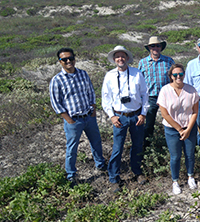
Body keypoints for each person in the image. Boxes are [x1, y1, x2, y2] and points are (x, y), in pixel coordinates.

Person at [49, 47, 107, 184]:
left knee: (96, 142)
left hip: (89, 116)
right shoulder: (57, 80)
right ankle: (71, 174)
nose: (68, 61)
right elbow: (55, 103)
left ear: (75, 58)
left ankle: (101, 164)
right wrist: (69, 120)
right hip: (74, 120)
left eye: (71, 58)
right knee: (72, 148)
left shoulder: (83, 74)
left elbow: (91, 92)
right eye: (64, 59)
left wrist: (93, 109)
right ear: (60, 62)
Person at [102, 46, 149, 192]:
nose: (120, 59)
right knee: (117, 148)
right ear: (114, 60)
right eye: (117, 57)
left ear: (127, 58)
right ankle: (114, 177)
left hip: (136, 115)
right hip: (119, 117)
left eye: (123, 56)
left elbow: (145, 94)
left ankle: (137, 172)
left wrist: (143, 113)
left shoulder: (136, 73)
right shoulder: (109, 76)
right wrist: (112, 116)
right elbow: (105, 98)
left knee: (137, 145)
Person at [158, 63, 200, 195]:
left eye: (180, 74)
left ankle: (190, 176)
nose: (178, 77)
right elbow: (165, 114)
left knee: (189, 154)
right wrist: (179, 129)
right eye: (175, 74)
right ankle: (175, 181)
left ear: (184, 75)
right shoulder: (165, 90)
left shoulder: (191, 90)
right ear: (171, 76)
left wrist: (187, 130)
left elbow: (195, 112)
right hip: (171, 129)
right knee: (175, 156)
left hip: (189, 127)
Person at [138, 36, 175, 149]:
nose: (155, 48)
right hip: (150, 97)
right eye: (152, 46)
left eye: (157, 45)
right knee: (149, 124)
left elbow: (174, 78)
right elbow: (139, 81)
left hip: (167, 97)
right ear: (149, 47)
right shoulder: (143, 62)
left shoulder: (169, 61)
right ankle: (147, 147)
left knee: (171, 121)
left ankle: (172, 145)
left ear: (161, 47)